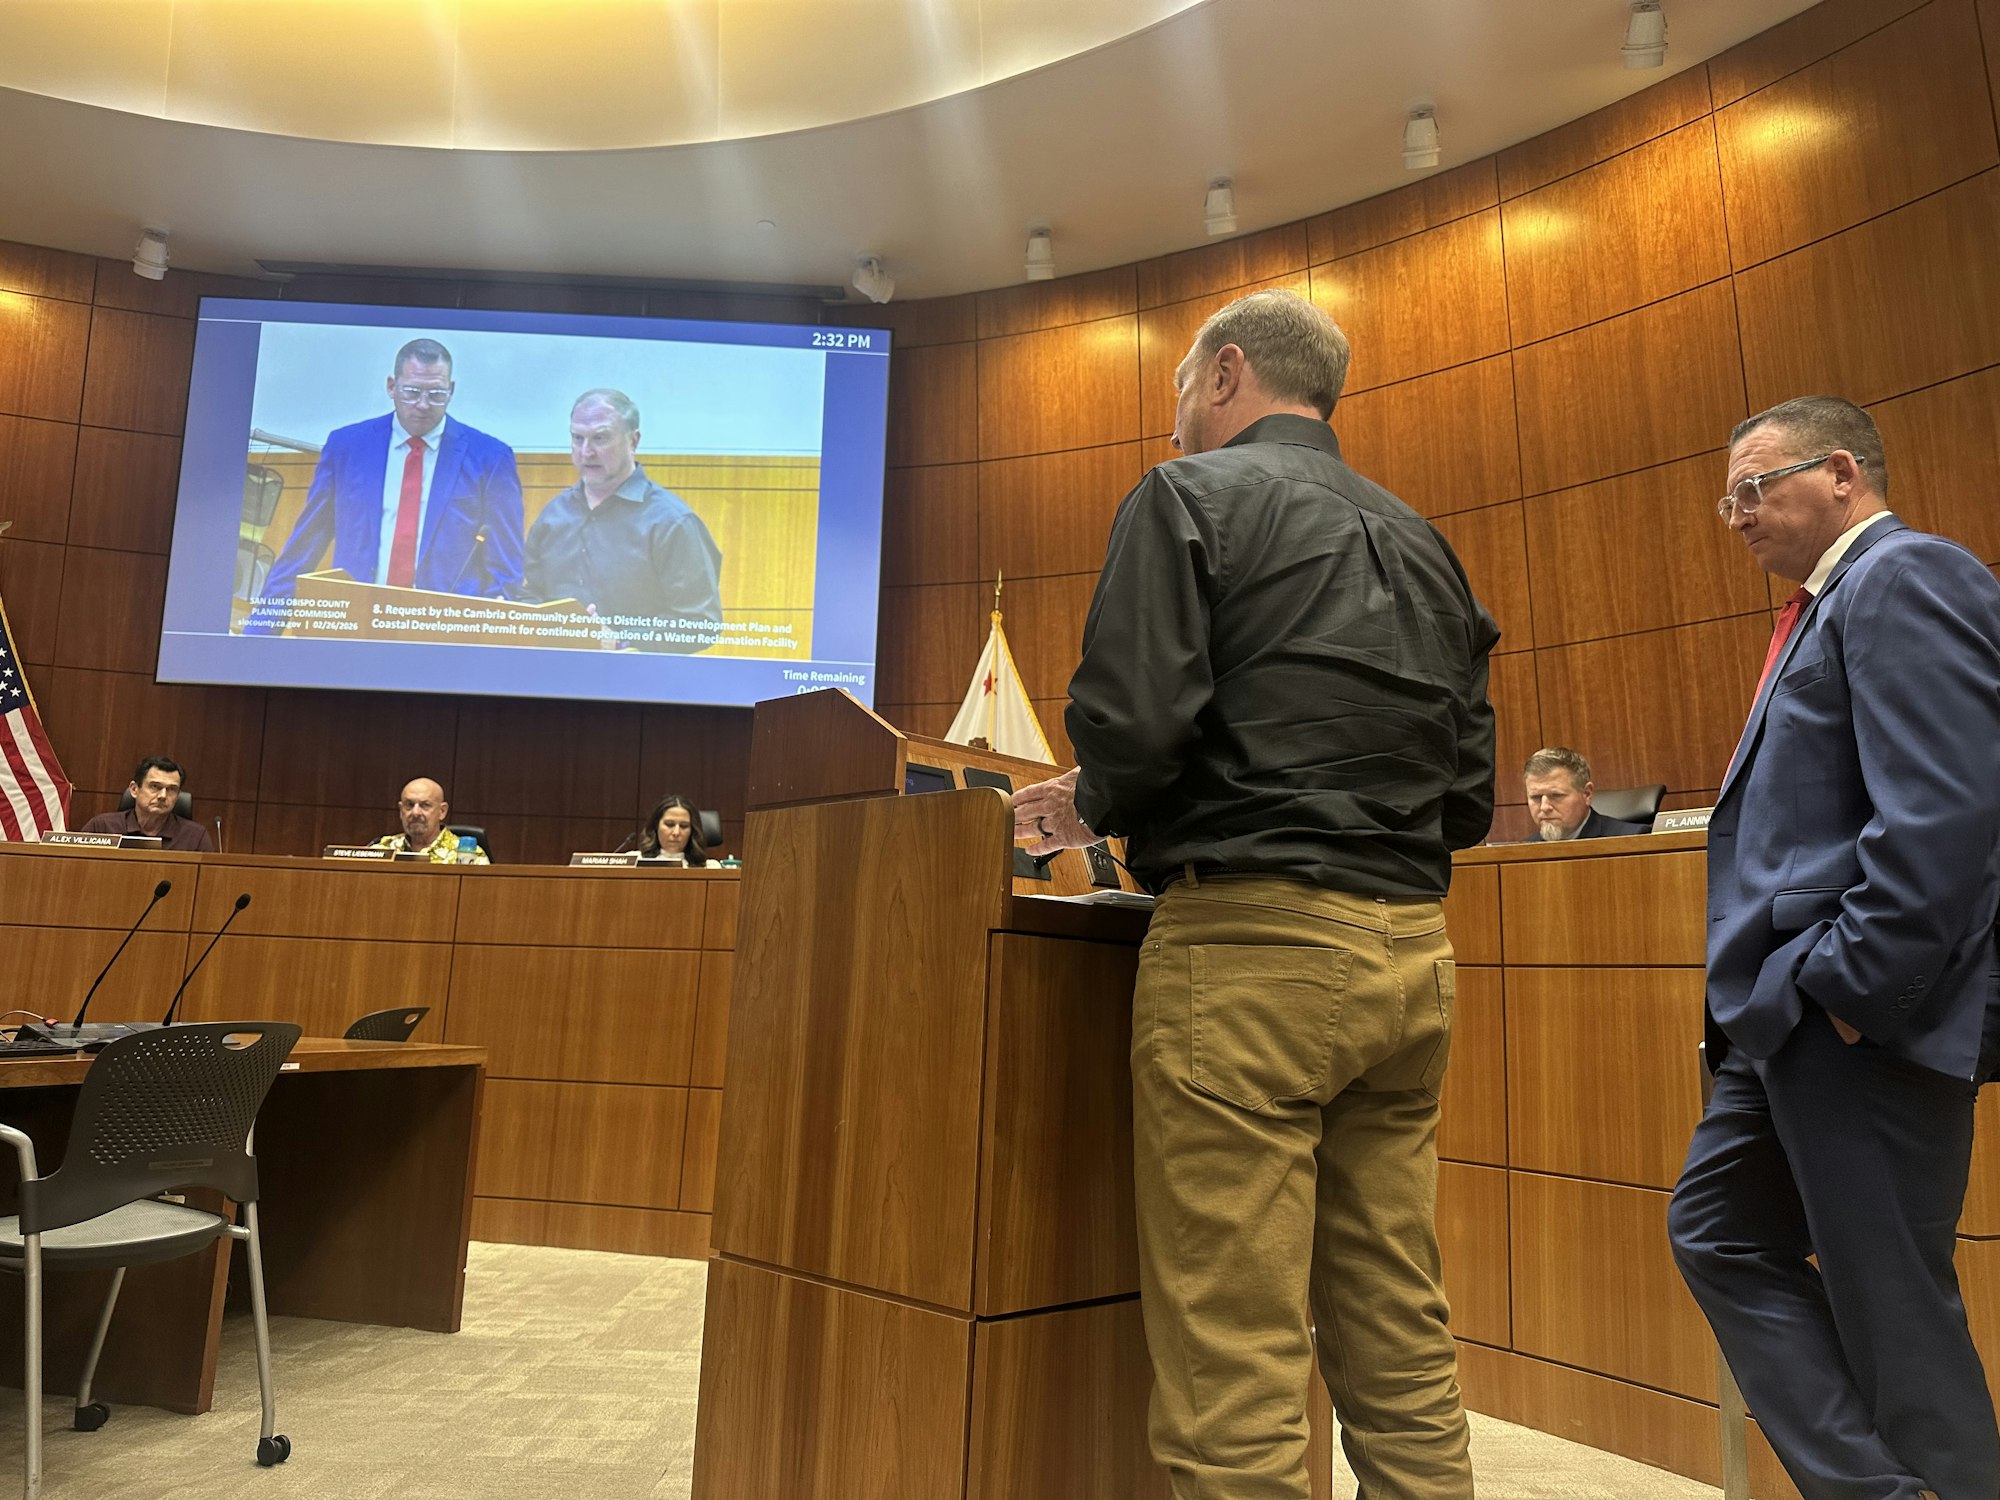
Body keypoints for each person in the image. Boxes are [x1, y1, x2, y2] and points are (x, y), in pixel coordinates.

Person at [1012, 288, 1497, 1499]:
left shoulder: (1184, 498)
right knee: (1395, 1320)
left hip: (1247, 951)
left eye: (1181, 383)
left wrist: (1102, 795)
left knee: (1232, 1346)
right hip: (1411, 959)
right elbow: (1471, 794)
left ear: (1226, 374)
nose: (1175, 412)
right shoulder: (1422, 540)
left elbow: (1130, 726)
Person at [1667, 397, 2000, 1500]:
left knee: (1894, 1316)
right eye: (1729, 497)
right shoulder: (1823, 608)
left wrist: (1853, 990)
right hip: (1789, 1015)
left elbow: (1941, 816)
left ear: (1842, 473)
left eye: (1753, 488)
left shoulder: (1905, 577)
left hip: (1855, 1015)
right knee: (1716, 1234)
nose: (1736, 515)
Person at [248, 338, 524, 628]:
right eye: (412, 392)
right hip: (355, 622)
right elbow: (303, 549)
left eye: (436, 394)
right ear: (392, 386)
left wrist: (489, 637)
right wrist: (261, 630)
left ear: (451, 390)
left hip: (447, 632)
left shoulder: (490, 458)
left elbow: (506, 567)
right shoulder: (347, 447)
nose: (423, 404)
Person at [522, 389, 723, 653]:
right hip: (555, 676)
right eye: (577, 438)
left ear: (633, 441)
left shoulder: (672, 522)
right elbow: (530, 592)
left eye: (600, 438)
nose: (586, 452)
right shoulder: (554, 514)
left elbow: (700, 623)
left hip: (638, 684)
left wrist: (621, 638)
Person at [81, 755, 214, 851]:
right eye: (155, 787)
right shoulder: (102, 827)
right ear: (134, 789)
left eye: (171, 789)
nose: (163, 796)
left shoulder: (195, 836)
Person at [1521, 746, 1648, 841]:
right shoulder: (1524, 850)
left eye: (1556, 796)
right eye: (1536, 797)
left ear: (1587, 794)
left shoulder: (1631, 839)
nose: (1544, 807)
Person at [370, 777, 488, 864]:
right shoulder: (381, 850)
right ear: (401, 811)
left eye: (425, 805)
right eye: (409, 805)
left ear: (442, 811)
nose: (415, 812)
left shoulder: (470, 857)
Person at [636, 793, 708, 865]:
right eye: (669, 824)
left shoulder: (710, 867)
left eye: (683, 826)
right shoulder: (634, 861)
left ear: (692, 831)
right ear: (656, 825)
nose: (676, 833)